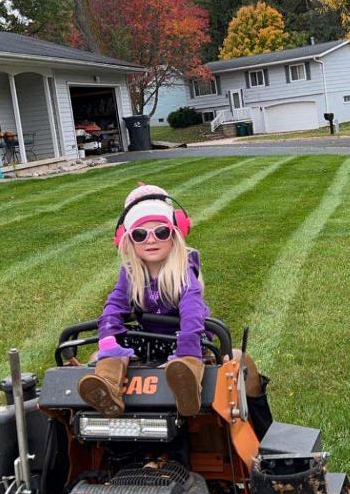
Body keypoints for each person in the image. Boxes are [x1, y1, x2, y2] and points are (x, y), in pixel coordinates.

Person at [78, 184, 273, 436]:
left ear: (175, 234)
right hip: (149, 341)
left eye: (161, 232)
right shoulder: (130, 273)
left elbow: (193, 310)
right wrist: (108, 339)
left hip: (186, 339)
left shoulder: (183, 270)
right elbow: (113, 306)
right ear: (128, 241)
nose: (151, 240)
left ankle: (190, 386)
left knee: (223, 361)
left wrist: (187, 348)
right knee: (103, 357)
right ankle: (107, 390)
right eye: (140, 234)